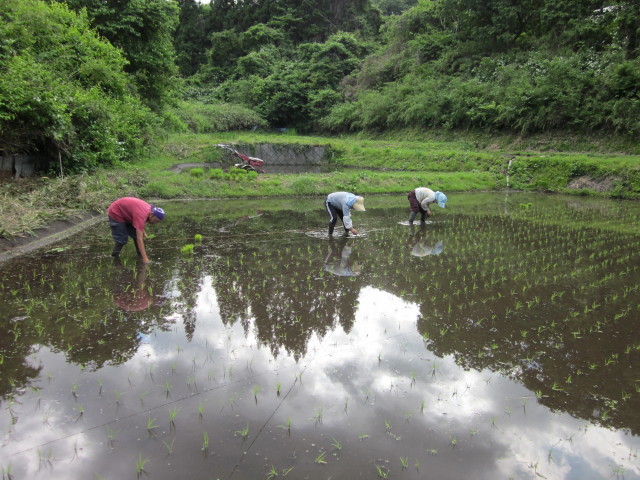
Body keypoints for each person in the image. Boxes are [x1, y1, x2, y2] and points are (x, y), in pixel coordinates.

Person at [107, 197, 165, 263]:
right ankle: (114, 258)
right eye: (156, 221)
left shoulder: (149, 210)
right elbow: (139, 239)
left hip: (127, 214)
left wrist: (143, 231)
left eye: (158, 222)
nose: (155, 223)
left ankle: (140, 256)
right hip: (116, 212)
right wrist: (146, 259)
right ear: (151, 215)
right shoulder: (142, 214)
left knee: (135, 235)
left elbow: (138, 219)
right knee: (122, 240)